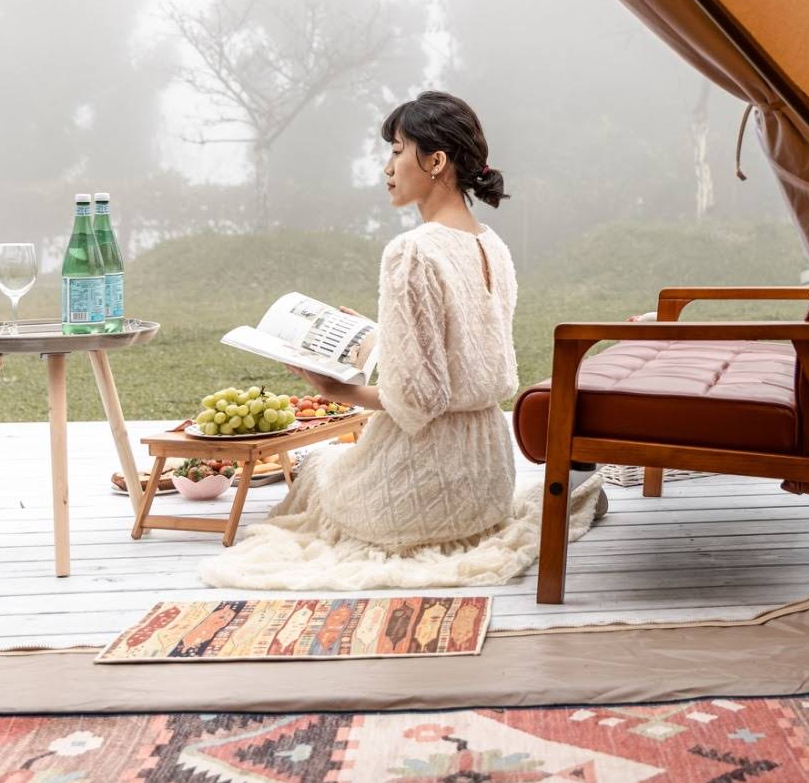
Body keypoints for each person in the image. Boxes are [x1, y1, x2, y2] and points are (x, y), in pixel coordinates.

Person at [258, 90, 603, 553]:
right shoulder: (492, 244)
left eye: (398, 151)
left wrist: (333, 391)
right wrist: (383, 332)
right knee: (328, 465)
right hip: (487, 478)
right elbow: (471, 346)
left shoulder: (412, 251)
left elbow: (418, 401)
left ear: (436, 160)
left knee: (319, 466)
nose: (388, 167)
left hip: (424, 478)